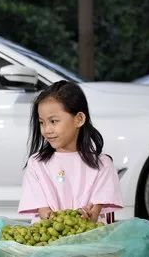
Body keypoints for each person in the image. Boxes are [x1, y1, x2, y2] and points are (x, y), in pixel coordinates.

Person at [18, 80, 123, 222]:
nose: (47, 130)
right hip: (50, 243)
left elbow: (95, 213)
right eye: (42, 122)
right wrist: (50, 217)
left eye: (53, 121)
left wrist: (90, 215)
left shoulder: (103, 164)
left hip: (89, 241)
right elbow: (43, 211)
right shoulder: (36, 163)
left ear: (79, 119)